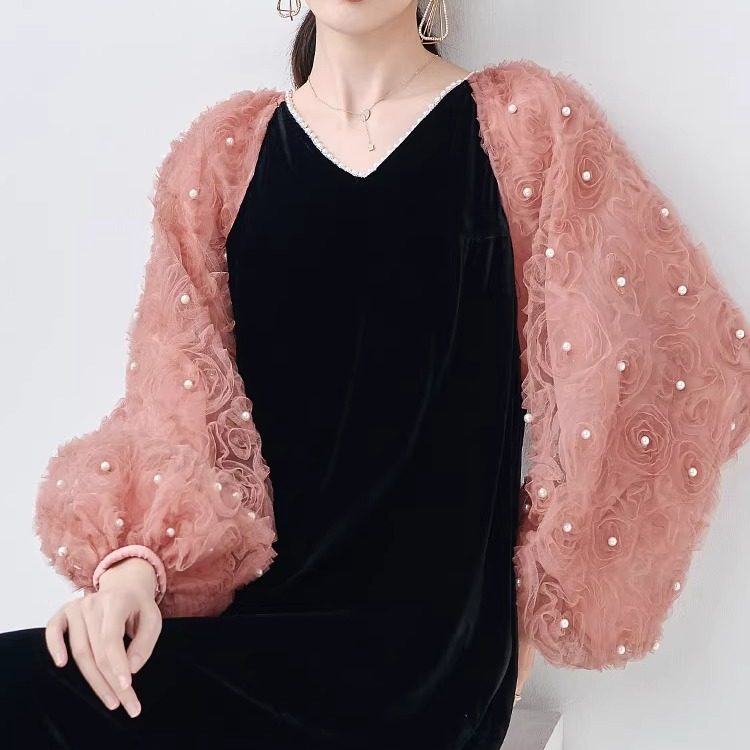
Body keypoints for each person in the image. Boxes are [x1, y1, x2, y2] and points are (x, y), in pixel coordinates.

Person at [2, 1, 748, 748]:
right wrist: (132, 574)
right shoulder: (223, 159)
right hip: (250, 634)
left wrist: (531, 613)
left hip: (429, 665)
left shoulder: (525, 130)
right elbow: (174, 406)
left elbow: (662, 365)